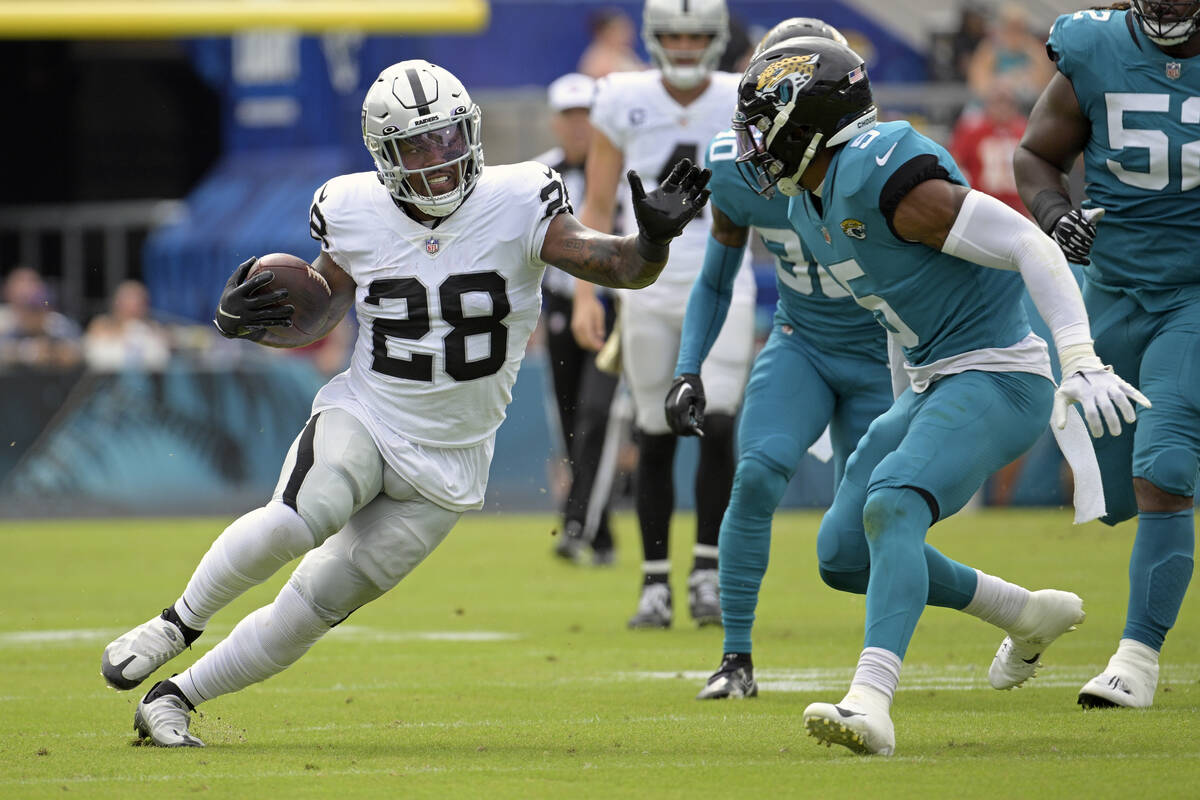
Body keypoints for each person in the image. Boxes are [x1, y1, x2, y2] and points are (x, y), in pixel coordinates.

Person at [100, 59, 712, 747]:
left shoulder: (520, 200)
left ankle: (174, 698)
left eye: (450, 137)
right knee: (304, 515)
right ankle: (173, 624)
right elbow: (321, 312)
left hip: (452, 461)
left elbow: (623, 267)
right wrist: (248, 323)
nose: (441, 157)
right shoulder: (353, 209)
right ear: (386, 154)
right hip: (370, 412)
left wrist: (654, 238)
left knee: (315, 607)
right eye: (419, 145)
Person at [733, 37, 1147, 755]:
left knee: (892, 504)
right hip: (934, 379)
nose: (754, 144)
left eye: (765, 122)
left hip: (1000, 373)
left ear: (808, 121)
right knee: (842, 555)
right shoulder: (809, 207)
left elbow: (1028, 242)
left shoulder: (881, 172)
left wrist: (1078, 356)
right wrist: (905, 404)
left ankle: (870, 701)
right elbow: (896, 308)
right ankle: (1024, 612)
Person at [671, 18, 891, 701]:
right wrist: (688, 366)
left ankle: (974, 617)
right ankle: (735, 658)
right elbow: (715, 275)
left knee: (878, 518)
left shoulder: (885, 160)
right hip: (802, 343)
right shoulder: (737, 172)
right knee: (759, 473)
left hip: (887, 351)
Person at [1013, 1, 1200, 710]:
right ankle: (1027, 620)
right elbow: (1034, 154)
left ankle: (1137, 658)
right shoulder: (1094, 46)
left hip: (1194, 295)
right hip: (1114, 291)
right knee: (1116, 493)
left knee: (1168, 469)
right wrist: (1056, 213)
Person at [573, 0, 755, 629]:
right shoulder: (621, 96)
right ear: (652, 37)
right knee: (652, 432)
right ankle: (656, 584)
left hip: (723, 274)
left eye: (695, 34)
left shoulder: (745, 93)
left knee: (720, 423)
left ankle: (705, 572)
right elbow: (596, 201)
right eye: (673, 33)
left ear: (717, 38)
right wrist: (585, 292)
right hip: (642, 283)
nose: (682, 45)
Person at [535, 72, 621, 565]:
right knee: (570, 420)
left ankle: (576, 521)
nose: (578, 126)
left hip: (614, 307)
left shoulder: (620, 170)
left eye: (586, 115)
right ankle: (601, 530)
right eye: (569, 116)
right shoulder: (540, 176)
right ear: (555, 121)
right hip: (562, 306)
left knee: (597, 414)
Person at [948, 83, 1029, 216]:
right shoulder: (972, 130)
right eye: (998, 102)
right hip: (982, 207)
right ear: (987, 104)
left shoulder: (1025, 130)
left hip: (1019, 208)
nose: (1003, 108)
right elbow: (954, 163)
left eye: (1008, 103)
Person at [966, 3, 1057, 110]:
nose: (1014, 34)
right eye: (1010, 28)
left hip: (1027, 105)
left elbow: (1045, 81)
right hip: (993, 106)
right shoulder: (989, 48)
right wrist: (1001, 85)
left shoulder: (1034, 49)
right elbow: (979, 83)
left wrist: (1022, 81)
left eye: (1018, 28)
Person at [0, 266, 82, 370]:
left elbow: (79, 349)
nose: (35, 316)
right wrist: (29, 352)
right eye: (31, 309)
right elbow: (4, 349)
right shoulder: (12, 327)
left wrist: (54, 352)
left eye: (39, 309)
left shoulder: (59, 325)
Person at [83, 279, 171, 371]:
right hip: (110, 378)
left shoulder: (153, 329)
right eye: (130, 302)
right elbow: (96, 357)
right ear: (118, 304)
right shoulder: (101, 325)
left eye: (140, 303)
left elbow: (159, 358)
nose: (135, 309)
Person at [578, 7, 645, 78]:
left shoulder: (625, 52)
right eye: (620, 30)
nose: (627, 33)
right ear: (605, 32)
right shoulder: (596, 60)